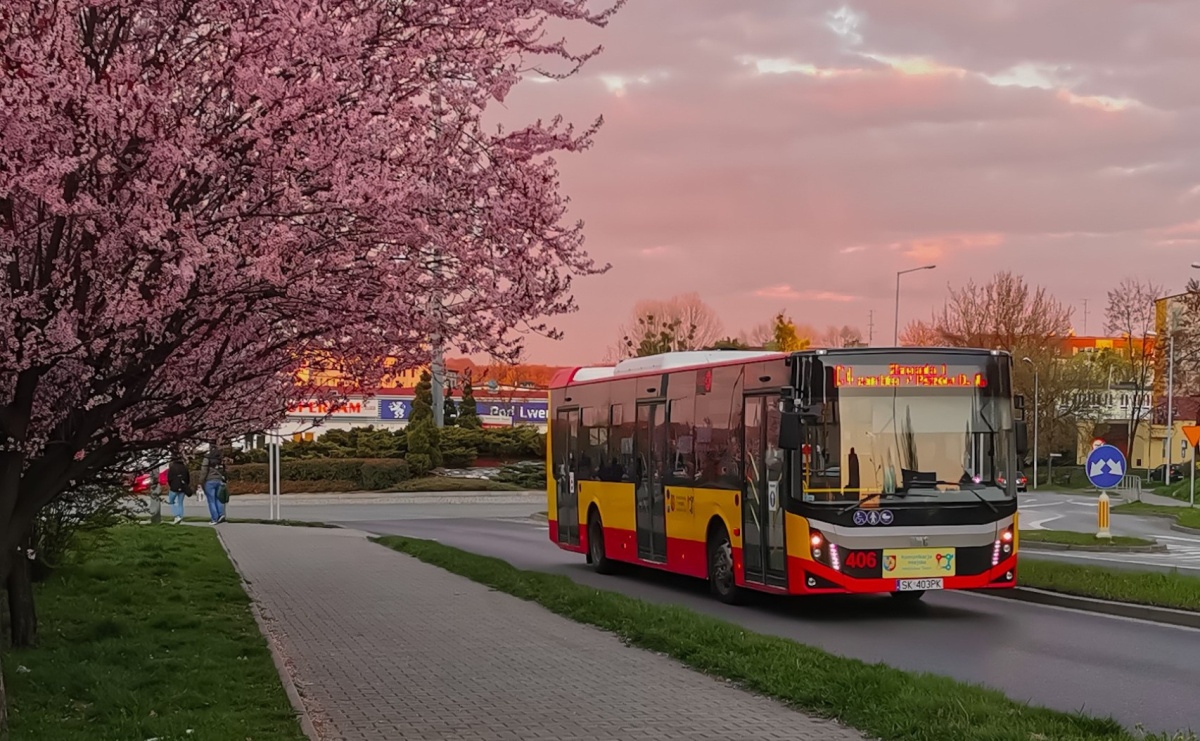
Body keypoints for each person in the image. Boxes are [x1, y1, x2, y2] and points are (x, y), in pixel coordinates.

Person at [197, 444, 227, 524]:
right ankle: (221, 514)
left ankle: (214, 518)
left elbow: (204, 470)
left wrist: (200, 481)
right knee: (219, 498)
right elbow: (224, 469)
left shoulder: (207, 458)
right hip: (219, 480)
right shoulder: (220, 458)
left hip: (210, 481)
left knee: (211, 501)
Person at [166, 451, 192, 525]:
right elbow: (188, 478)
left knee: (171, 502)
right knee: (180, 503)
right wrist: (185, 485)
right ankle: (180, 516)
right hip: (183, 487)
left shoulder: (172, 467)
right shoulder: (184, 467)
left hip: (174, 487)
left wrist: (171, 485)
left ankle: (176, 516)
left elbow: (169, 478)